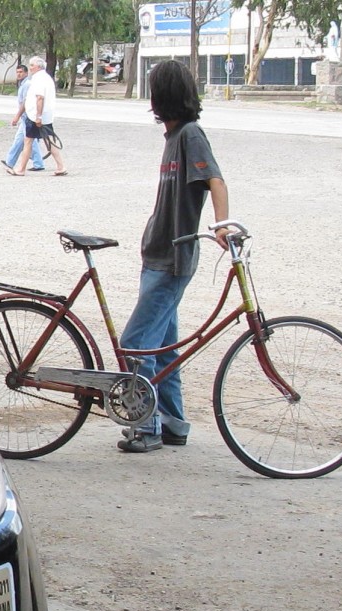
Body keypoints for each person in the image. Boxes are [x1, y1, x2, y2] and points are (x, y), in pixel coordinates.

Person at [117, 59, 229, 453]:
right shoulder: (173, 136)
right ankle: (174, 422)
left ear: (160, 96)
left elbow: (214, 178)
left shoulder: (190, 135)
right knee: (164, 348)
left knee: (135, 346)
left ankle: (146, 429)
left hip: (172, 259)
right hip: (158, 254)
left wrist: (222, 224)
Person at [7, 56, 66, 177]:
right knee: (48, 140)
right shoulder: (46, 78)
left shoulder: (39, 79)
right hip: (44, 116)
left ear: (38, 66)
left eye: (32, 65)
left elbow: (40, 98)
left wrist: (38, 117)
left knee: (28, 141)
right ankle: (61, 166)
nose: (30, 67)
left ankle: (21, 169)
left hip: (36, 117)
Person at [2, 64, 45, 171]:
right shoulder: (23, 84)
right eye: (17, 72)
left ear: (26, 73)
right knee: (22, 139)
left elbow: (26, 103)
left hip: (28, 117)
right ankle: (10, 161)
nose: (19, 74)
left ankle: (37, 163)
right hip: (25, 117)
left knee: (29, 140)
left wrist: (17, 116)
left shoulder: (27, 85)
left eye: (21, 72)